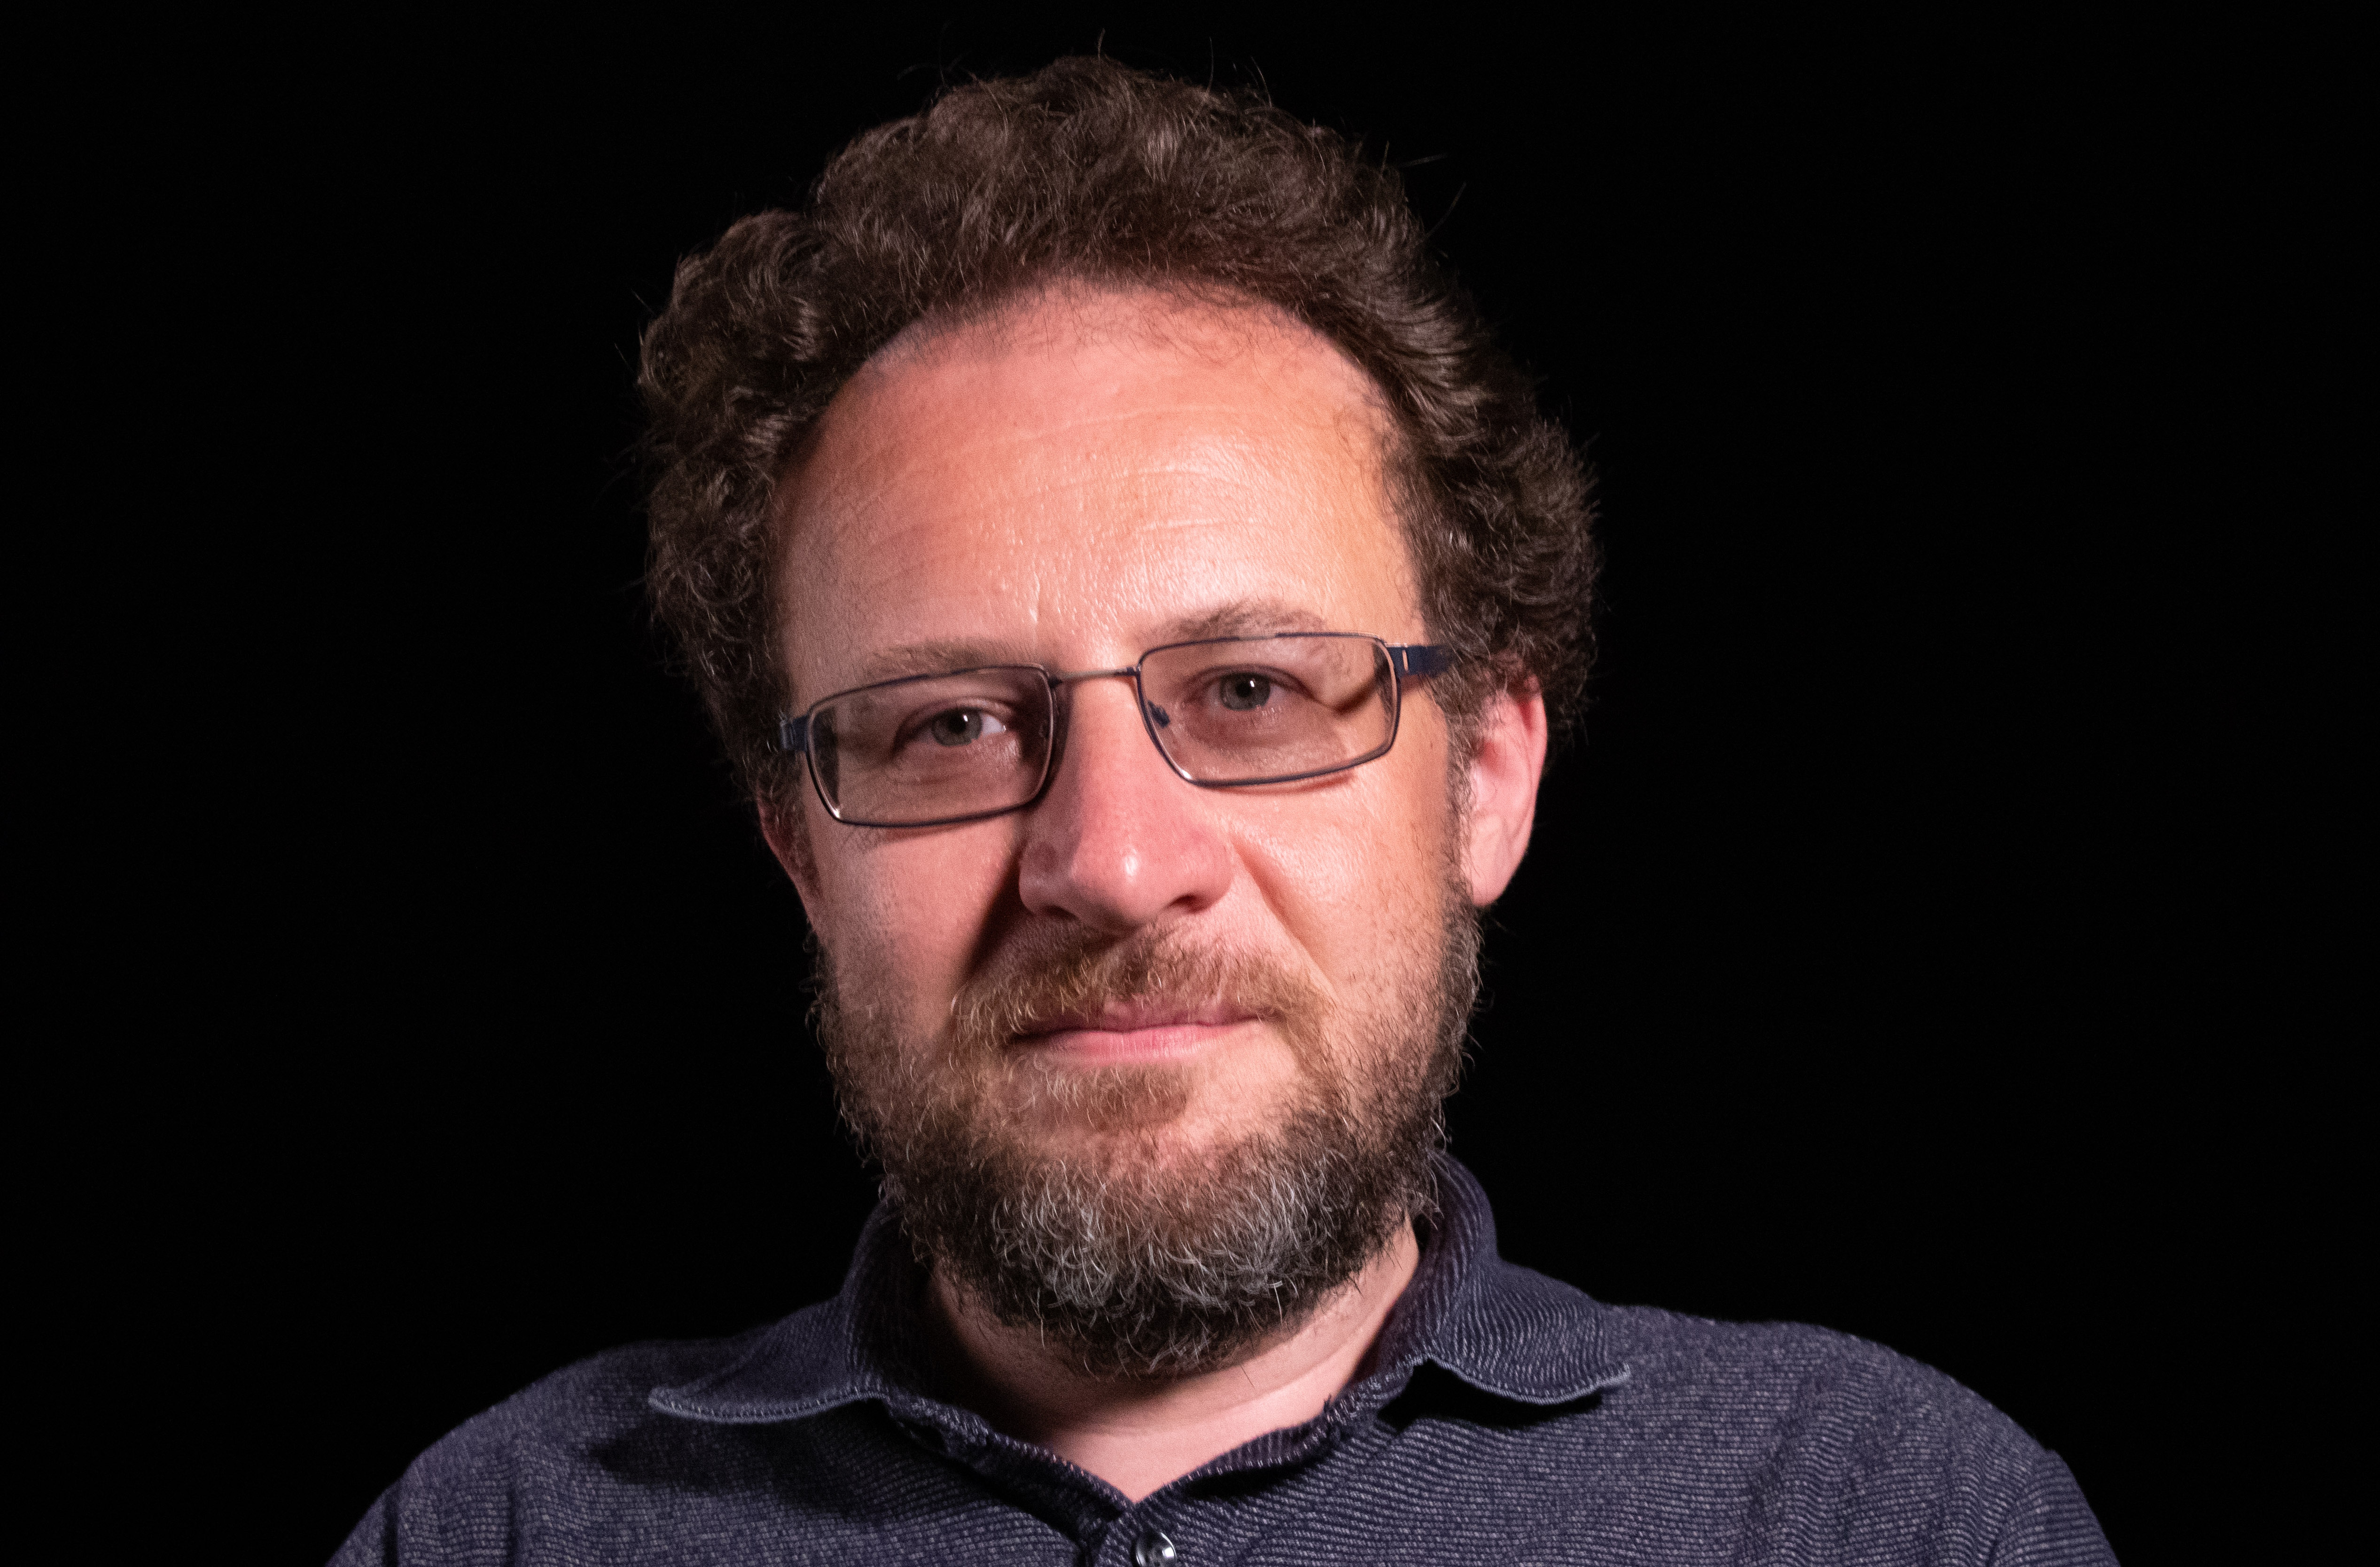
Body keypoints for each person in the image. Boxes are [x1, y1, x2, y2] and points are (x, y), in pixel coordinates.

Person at [336, 57, 2115, 1565]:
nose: (1113, 864)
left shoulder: (1880, 1518)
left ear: (1486, 781)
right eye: (952, 726)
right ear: (799, 850)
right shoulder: (499, 1532)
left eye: (1251, 692)